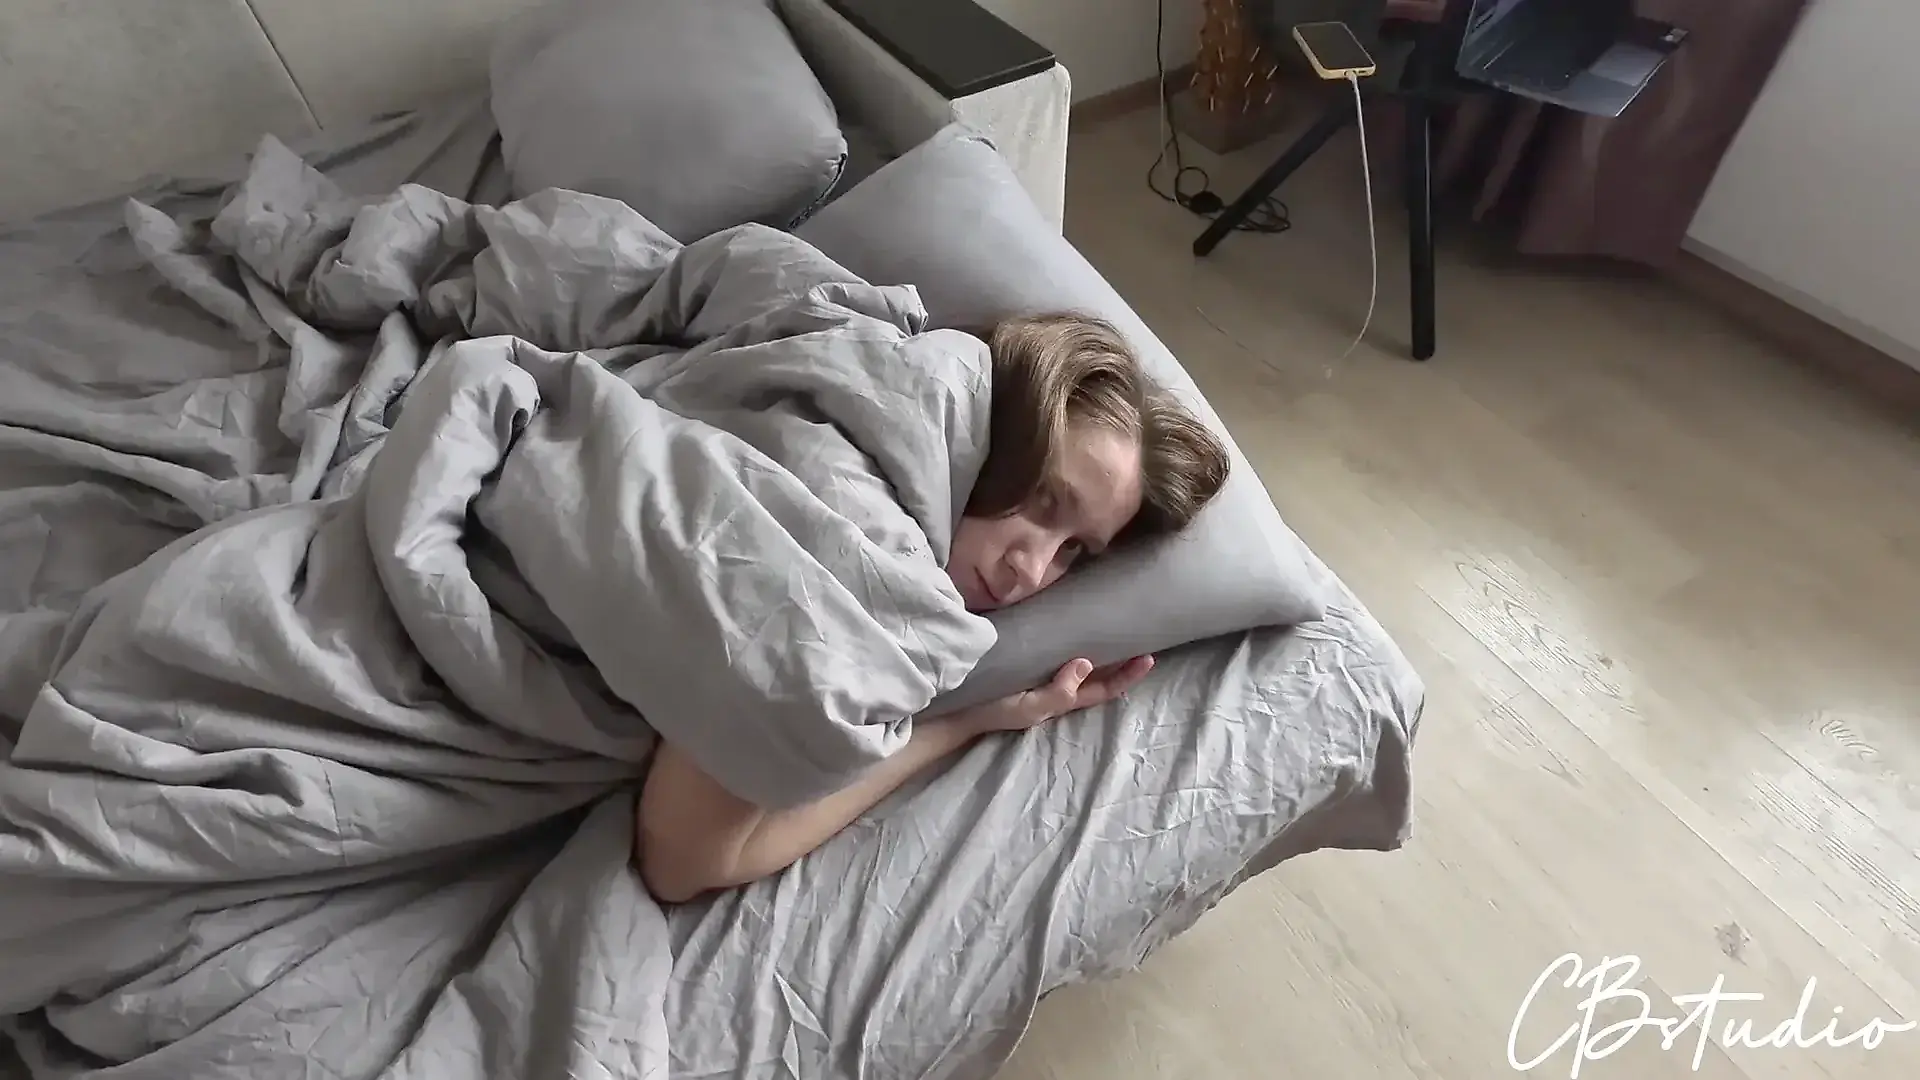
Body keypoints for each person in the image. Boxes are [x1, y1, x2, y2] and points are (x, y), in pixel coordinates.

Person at [634, 311, 1231, 903]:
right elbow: (682, 862)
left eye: (1073, 549)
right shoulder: (863, 555)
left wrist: (981, 716)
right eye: (1043, 498)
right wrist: (956, 725)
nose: (1031, 568)